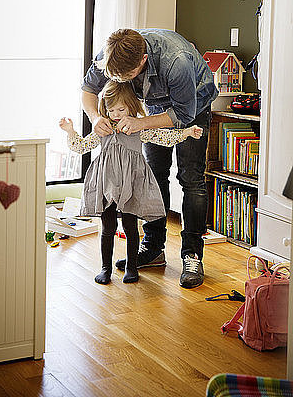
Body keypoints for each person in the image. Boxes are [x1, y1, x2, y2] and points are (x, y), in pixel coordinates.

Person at [81, 28, 218, 289]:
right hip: (156, 106)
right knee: (153, 177)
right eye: (114, 77)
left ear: (142, 60)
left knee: (191, 178)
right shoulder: (113, 56)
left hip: (192, 108)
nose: (120, 81)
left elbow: (183, 115)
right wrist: (95, 118)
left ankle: (192, 256)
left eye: (127, 77)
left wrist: (140, 123)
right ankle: (154, 249)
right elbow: (88, 89)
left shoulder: (175, 61)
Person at [59, 80, 203, 285]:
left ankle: (132, 267)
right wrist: (70, 131)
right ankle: (105, 268)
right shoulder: (103, 129)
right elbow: (81, 147)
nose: (116, 114)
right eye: (111, 109)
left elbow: (162, 137)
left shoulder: (137, 128)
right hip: (106, 183)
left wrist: (187, 133)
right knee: (107, 227)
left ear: (131, 107)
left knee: (130, 227)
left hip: (131, 183)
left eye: (121, 108)